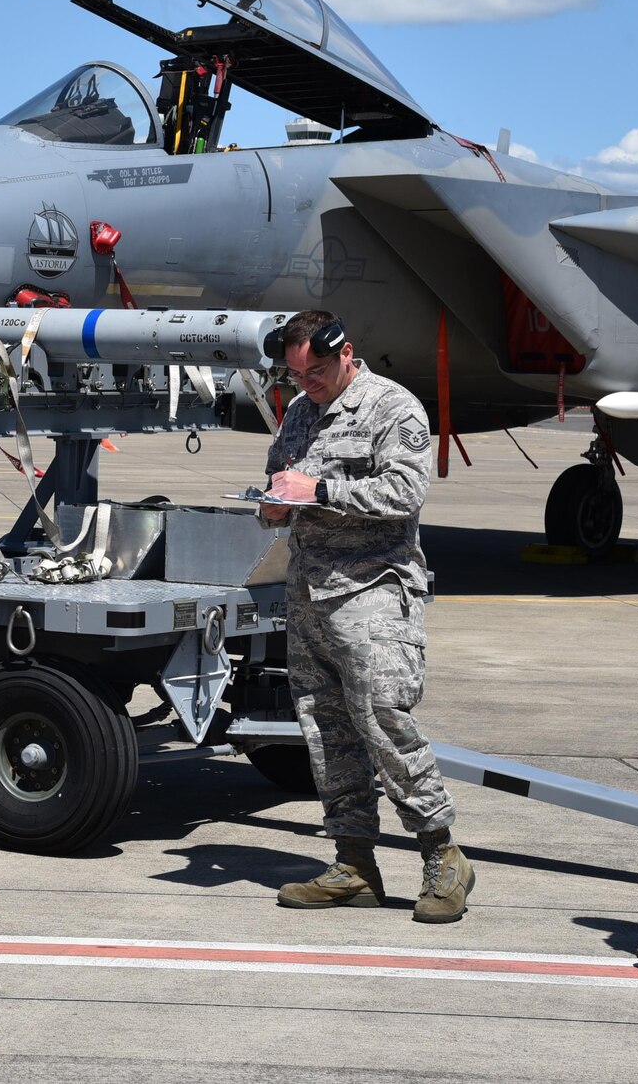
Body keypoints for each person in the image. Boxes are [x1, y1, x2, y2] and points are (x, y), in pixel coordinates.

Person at [260, 310, 474, 922]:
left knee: (384, 722)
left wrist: (319, 493)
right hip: (310, 594)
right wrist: (273, 506)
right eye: (297, 374)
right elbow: (280, 481)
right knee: (327, 735)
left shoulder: (393, 408)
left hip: (373, 592)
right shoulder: (300, 413)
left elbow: (405, 492)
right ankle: (354, 861)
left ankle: (442, 856)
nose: (308, 383)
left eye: (318, 371)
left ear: (347, 353)